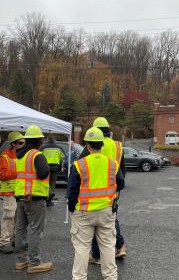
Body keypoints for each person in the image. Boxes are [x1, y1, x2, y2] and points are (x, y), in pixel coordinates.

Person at [67, 127, 124, 280]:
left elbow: (72, 190)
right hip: (106, 211)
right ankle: (111, 277)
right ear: (101, 144)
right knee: (108, 247)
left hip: (83, 212)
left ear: (88, 145)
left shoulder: (80, 164)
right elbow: (121, 183)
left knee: (82, 248)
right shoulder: (112, 164)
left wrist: (71, 208)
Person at [80, 116, 127, 262]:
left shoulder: (93, 143)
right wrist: (117, 186)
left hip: (94, 188)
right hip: (113, 188)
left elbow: (79, 165)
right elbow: (123, 169)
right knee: (111, 217)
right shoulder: (117, 145)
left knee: (95, 220)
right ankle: (120, 247)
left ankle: (96, 255)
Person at [14, 125, 53, 273]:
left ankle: (21, 261)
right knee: (36, 229)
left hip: (21, 196)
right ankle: (34, 262)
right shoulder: (37, 155)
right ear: (38, 141)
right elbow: (43, 174)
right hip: (35, 197)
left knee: (21, 229)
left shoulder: (20, 155)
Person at [0, 132, 25, 253]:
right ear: (13, 144)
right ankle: (4, 242)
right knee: (9, 216)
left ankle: (15, 240)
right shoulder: (4, 157)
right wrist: (18, 173)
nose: (23, 144)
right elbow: (2, 175)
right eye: (20, 143)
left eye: (23, 142)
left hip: (20, 191)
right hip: (9, 192)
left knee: (18, 217)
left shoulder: (22, 156)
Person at [39, 135, 65, 206]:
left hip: (45, 166)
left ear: (47, 139)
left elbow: (38, 156)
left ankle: (49, 194)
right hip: (55, 167)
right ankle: (49, 200)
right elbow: (63, 158)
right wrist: (61, 166)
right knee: (53, 182)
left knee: (46, 182)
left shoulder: (43, 147)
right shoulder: (59, 148)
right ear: (54, 140)